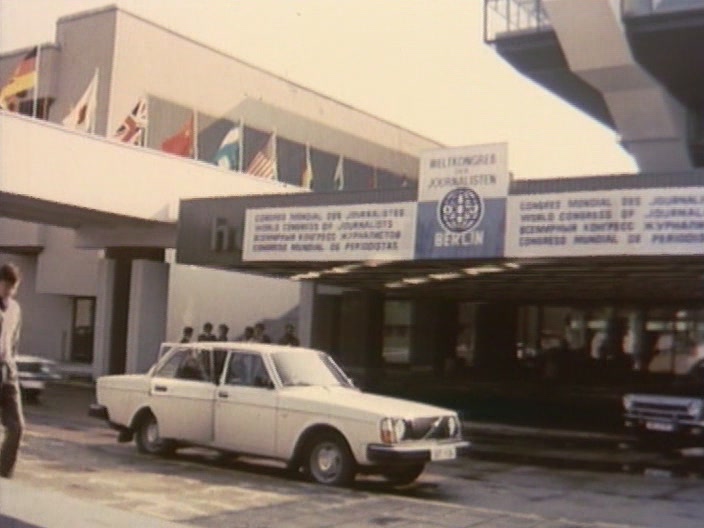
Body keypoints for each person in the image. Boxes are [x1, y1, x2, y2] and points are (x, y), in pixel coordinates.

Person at [0, 262, 24, 478]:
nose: (9, 291)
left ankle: (4, 473)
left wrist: (12, 364)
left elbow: (14, 340)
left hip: (7, 371)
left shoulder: (15, 309)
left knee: (16, 426)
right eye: (6, 285)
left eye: (13, 287)